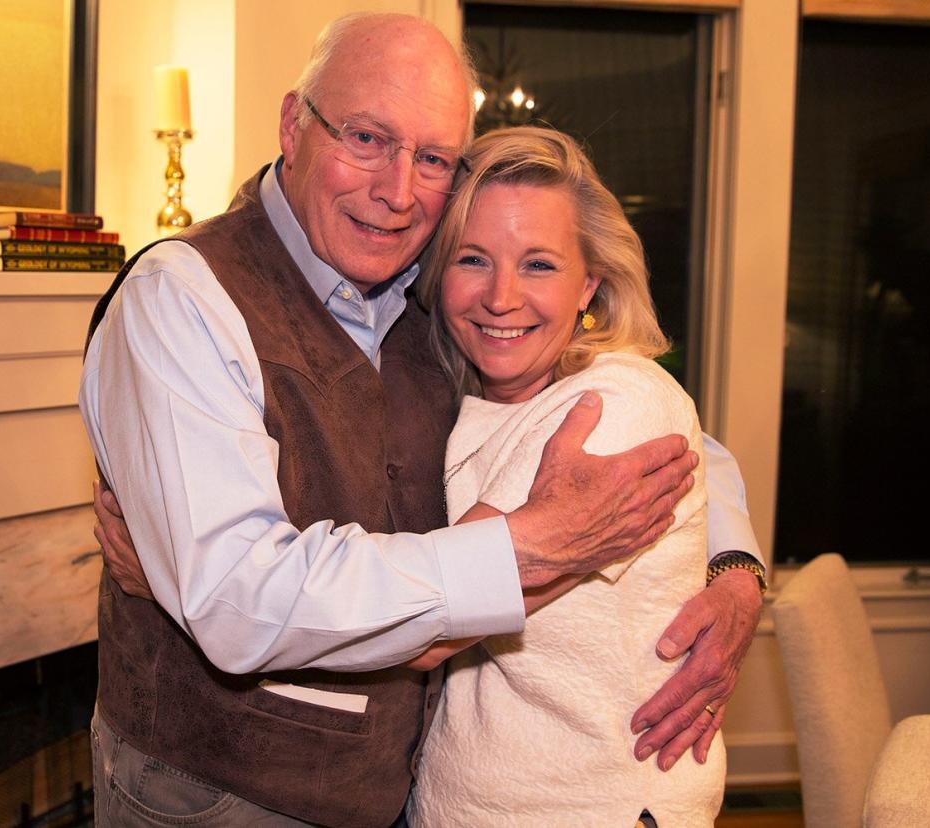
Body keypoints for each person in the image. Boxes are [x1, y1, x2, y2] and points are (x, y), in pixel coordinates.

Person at [79, 12, 763, 827]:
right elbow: (237, 596)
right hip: (216, 793)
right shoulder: (181, 300)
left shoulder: (431, 298)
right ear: (294, 125)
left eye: (432, 159)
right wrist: (533, 542)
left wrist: (734, 570)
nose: (398, 191)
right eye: (366, 139)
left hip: (404, 789)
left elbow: (672, 440)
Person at [402, 126, 723, 827]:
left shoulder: (612, 403)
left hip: (591, 806)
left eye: (539, 265)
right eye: (473, 259)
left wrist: (201, 582)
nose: (501, 296)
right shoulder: (473, 400)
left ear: (591, 285)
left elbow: (426, 626)